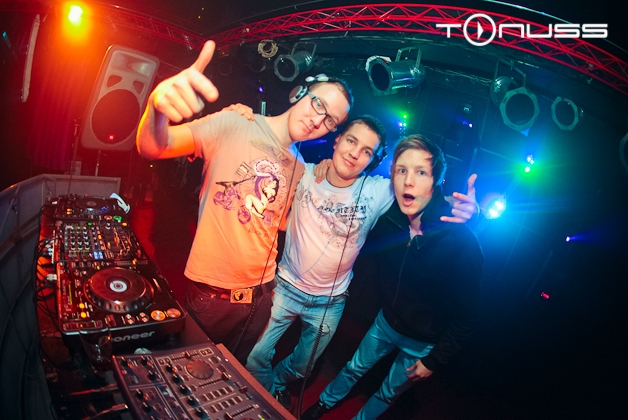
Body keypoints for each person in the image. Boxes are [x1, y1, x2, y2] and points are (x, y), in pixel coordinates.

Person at [135, 40, 353, 363]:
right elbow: (154, 146)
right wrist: (156, 108)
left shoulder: (301, 167)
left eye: (331, 121)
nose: (318, 120)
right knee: (187, 369)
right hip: (213, 295)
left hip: (262, 298)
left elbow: (277, 222)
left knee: (230, 377)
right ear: (300, 93)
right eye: (319, 104)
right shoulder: (236, 122)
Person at [242, 114, 479, 408]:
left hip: (329, 302)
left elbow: (425, 197)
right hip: (286, 288)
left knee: (303, 367)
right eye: (351, 141)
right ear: (337, 141)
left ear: (374, 160)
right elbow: (264, 154)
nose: (355, 153)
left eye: (366, 151)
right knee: (255, 356)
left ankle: (276, 384)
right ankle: (266, 396)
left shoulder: (380, 191)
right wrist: (247, 117)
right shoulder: (305, 172)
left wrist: (468, 210)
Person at [302, 134, 484, 420]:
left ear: (437, 180)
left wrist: (434, 360)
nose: (408, 181)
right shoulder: (388, 218)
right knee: (353, 368)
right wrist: (328, 167)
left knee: (388, 392)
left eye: (421, 172)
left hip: (422, 340)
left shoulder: (462, 242)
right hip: (386, 321)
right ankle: (324, 403)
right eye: (401, 170)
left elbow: (469, 316)